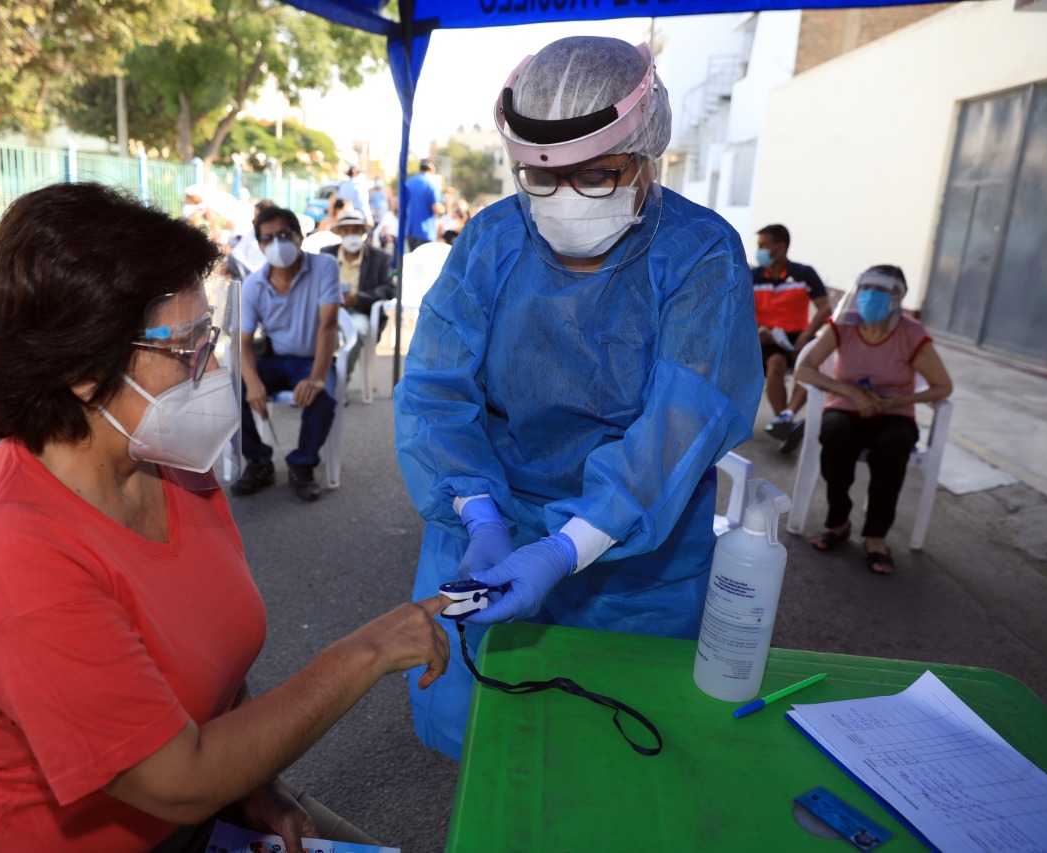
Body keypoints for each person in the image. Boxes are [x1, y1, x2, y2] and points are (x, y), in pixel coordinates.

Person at [0, 182, 451, 852]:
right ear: (80, 366)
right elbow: (175, 778)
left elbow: (207, 665)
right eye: (187, 348)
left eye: (209, 338)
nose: (213, 369)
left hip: (200, 809)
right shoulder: (9, 551)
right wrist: (367, 650)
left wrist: (254, 786)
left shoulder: (167, 463)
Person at [394, 36, 762, 760]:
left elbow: (677, 429)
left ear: (646, 151)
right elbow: (436, 391)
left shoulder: (699, 256)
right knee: (472, 732)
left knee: (614, 744)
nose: (564, 199)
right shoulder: (494, 240)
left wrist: (568, 547)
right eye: (539, 175)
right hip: (490, 522)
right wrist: (478, 511)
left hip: (635, 554)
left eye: (596, 175)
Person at [794, 266, 952, 575]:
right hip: (846, 408)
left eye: (880, 291)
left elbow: (943, 386)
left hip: (893, 413)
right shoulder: (844, 325)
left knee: (894, 447)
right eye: (866, 289)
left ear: (897, 298)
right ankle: (838, 523)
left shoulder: (911, 332)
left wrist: (899, 400)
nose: (870, 297)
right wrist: (848, 392)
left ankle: (876, 536)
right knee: (835, 436)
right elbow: (805, 369)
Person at [232, 206, 341, 502]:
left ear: (300, 236)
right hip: (275, 360)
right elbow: (241, 340)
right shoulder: (254, 284)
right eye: (268, 238)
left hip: (312, 359)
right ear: (259, 245)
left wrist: (317, 378)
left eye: (284, 235)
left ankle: (302, 465)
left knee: (324, 397)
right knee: (232, 390)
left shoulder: (325, 267)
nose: (277, 244)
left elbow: (328, 325)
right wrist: (252, 382)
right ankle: (259, 462)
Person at [752, 223, 830, 453]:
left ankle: (786, 417)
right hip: (766, 338)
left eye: (763, 246)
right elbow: (739, 309)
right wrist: (759, 328)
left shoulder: (804, 273)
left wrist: (806, 335)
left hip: (798, 337)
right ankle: (784, 421)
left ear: (781, 247)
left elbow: (825, 308)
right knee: (775, 364)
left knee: (811, 365)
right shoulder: (753, 276)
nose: (759, 251)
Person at [320, 209, 395, 378]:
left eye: (355, 230)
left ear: (363, 232)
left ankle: (338, 381)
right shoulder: (326, 255)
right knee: (318, 333)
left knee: (356, 331)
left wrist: (357, 298)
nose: (351, 235)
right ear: (339, 233)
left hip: (360, 311)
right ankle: (319, 378)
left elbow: (388, 288)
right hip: (328, 310)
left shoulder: (380, 258)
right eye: (346, 231)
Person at [403, 159, 443, 252]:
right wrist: (443, 209)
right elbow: (436, 207)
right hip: (426, 231)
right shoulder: (433, 183)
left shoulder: (409, 182)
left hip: (410, 229)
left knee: (413, 261)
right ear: (432, 169)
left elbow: (400, 205)